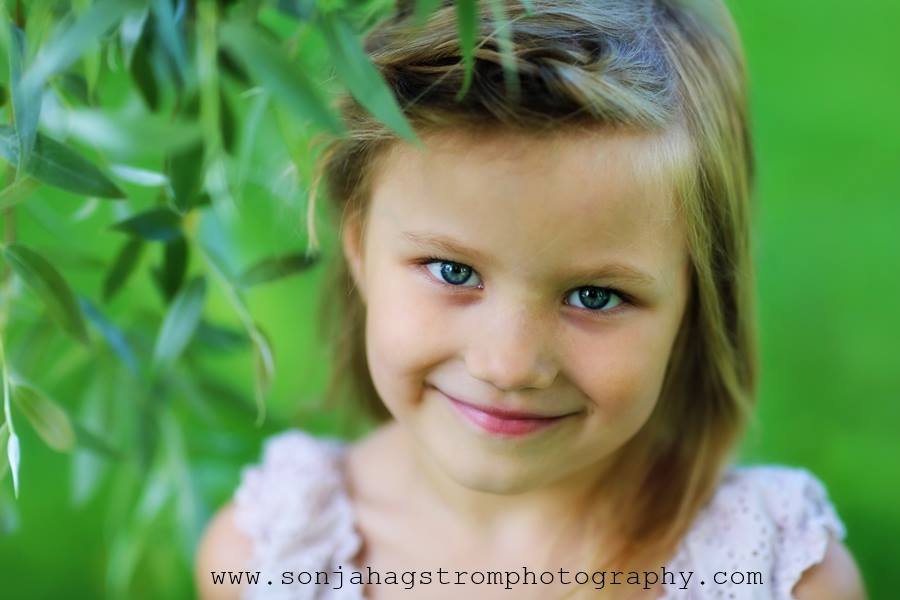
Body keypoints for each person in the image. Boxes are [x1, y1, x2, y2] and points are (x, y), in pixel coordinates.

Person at [195, 0, 866, 598]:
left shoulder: (781, 575)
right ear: (357, 248)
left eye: (595, 296)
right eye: (453, 271)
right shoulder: (268, 559)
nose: (509, 365)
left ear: (696, 299)